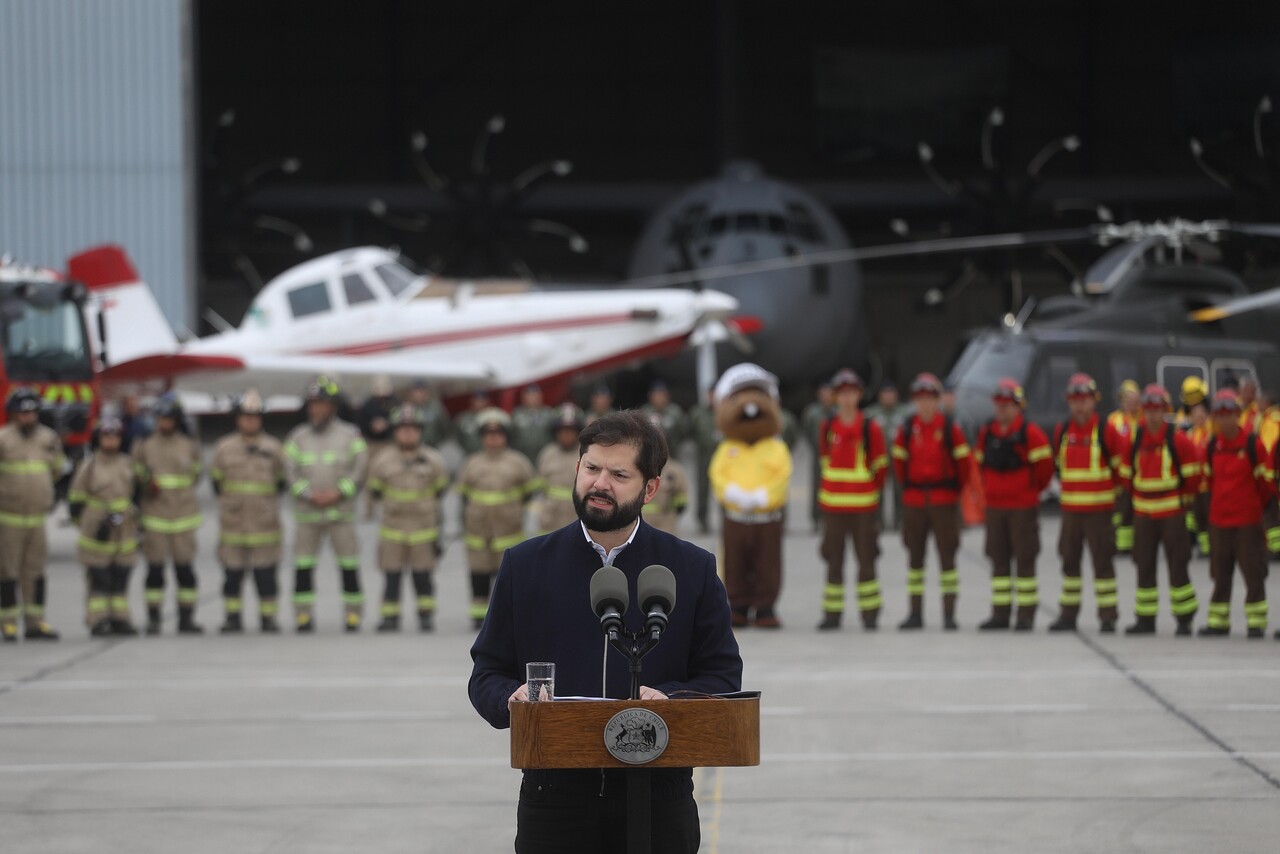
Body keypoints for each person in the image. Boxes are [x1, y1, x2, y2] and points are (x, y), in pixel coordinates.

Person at [468, 410, 742, 854]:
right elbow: (487, 673)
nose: (600, 484)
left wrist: (670, 700)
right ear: (576, 468)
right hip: (554, 798)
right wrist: (510, 698)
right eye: (592, 468)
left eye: (619, 474)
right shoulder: (525, 564)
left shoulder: (691, 568)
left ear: (650, 488)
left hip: (659, 794)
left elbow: (723, 678)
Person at [708, 364, 792, 629]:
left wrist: (762, 497)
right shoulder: (728, 447)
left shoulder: (775, 447)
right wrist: (730, 493)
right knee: (735, 561)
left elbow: (782, 477)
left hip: (767, 517)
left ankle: (766, 606)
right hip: (736, 517)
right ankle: (739, 605)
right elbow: (717, 474)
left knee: (768, 562)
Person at [284, 376, 369, 633]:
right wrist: (309, 494)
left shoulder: (350, 436)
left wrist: (338, 493)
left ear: (333, 406)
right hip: (308, 516)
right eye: (312, 404)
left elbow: (360, 470)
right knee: (303, 567)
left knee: (349, 566)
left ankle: (353, 616)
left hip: (340, 515)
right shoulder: (297, 438)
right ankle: (303, 616)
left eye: (321, 404)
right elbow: (290, 473)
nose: (315, 409)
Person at [1119, 384, 1202, 635]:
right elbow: (1126, 476)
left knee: (1178, 566)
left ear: (1165, 410)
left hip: (1172, 516)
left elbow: (1193, 480)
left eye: (1157, 410)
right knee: (1144, 566)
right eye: (1149, 410)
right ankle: (1145, 619)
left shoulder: (1178, 440)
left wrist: (1177, 502)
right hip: (1143, 516)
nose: (1153, 415)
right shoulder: (1134, 440)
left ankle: (1184, 619)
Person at [891, 372, 970, 631]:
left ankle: (949, 614)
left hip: (943, 501)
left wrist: (952, 492)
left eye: (930, 399)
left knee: (947, 559)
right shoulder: (906, 428)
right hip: (915, 502)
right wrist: (911, 491)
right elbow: (899, 465)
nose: (925, 404)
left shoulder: (949, 428)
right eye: (920, 399)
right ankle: (915, 613)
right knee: (915, 559)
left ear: (938, 401)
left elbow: (964, 465)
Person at [975, 378, 1054, 631]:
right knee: (998, 560)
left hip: (1022, 508)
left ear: (1019, 407)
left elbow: (1044, 471)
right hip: (996, 509)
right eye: (999, 404)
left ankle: (1026, 615)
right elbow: (978, 466)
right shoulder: (987, 433)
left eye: (1008, 405)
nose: (1002, 409)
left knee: (1025, 560)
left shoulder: (1031, 433)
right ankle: (1000, 614)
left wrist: (1028, 493)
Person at [209, 389, 286, 634]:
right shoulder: (224, 448)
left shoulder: (274, 448)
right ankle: (233, 618)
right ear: (238, 419)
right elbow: (216, 482)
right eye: (245, 416)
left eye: (255, 416)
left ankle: (268, 619)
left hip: (265, 527)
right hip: (233, 526)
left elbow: (281, 481)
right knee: (232, 577)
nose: (250, 421)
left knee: (266, 577)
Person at [1050, 373, 1123, 633]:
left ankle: (1108, 616)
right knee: (1069, 562)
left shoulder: (1106, 430)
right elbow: (1058, 469)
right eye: (1074, 400)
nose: (1079, 405)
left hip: (1099, 513)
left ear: (1094, 401)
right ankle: (1068, 615)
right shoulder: (1062, 431)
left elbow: (1120, 471)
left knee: (1102, 563)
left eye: (1084, 400)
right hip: (1071, 513)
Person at [367, 405, 450, 632]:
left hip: (424, 530)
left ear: (420, 432)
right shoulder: (382, 460)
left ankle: (425, 616)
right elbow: (375, 490)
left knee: (423, 576)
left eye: (413, 429)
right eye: (403, 429)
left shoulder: (433, 460)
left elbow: (441, 490)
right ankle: (390, 618)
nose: (408, 434)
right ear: (395, 432)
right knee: (391, 576)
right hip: (393, 530)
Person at [816, 368, 887, 630]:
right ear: (835, 397)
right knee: (833, 561)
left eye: (851, 393)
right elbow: (825, 462)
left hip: (863, 509)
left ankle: (870, 614)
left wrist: (867, 491)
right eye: (842, 394)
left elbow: (881, 467)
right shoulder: (827, 427)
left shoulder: (870, 427)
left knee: (866, 561)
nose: (846, 399)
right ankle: (832, 615)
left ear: (858, 396)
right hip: (833, 509)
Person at [1199, 390, 1274, 638]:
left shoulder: (1253, 444)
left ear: (1238, 416)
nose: (1224, 420)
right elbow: (1209, 482)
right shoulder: (1213, 446)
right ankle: (1219, 623)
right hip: (1220, 522)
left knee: (1253, 572)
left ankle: (1256, 622)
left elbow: (1265, 486)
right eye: (1219, 415)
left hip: (1247, 523)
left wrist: (1252, 509)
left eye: (1229, 414)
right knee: (1220, 574)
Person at [457, 408, 538, 629]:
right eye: (488, 435)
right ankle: (478, 616)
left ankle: (508, 617)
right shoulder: (471, 463)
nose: (493, 439)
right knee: (479, 575)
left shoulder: (519, 462)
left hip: (509, 532)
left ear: (505, 437)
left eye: (498, 435)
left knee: (508, 578)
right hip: (478, 533)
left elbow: (528, 493)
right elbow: (463, 496)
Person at [133, 393, 204, 634]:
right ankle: (154, 618)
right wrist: (146, 483)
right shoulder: (145, 445)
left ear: (176, 419)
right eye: (160, 418)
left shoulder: (189, 445)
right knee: (154, 573)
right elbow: (136, 475)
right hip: (155, 518)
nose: (164, 422)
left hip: (184, 518)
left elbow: (196, 474)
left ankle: (187, 619)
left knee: (185, 572)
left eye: (169, 418)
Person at [0, 388, 65, 640]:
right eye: (22, 413)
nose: (27, 417)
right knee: (7, 572)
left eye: (31, 412)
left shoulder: (48, 438)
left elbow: (56, 470)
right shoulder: (3, 439)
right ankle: (8, 623)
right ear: (13, 414)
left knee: (35, 572)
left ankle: (35, 623)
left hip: (37, 519)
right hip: (9, 518)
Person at [68, 416, 140, 636]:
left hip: (124, 531)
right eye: (106, 436)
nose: (111, 441)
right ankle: (98, 620)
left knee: (121, 577)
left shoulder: (127, 463)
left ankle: (120, 619)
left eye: (115, 436)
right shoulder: (89, 466)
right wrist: (89, 525)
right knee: (99, 579)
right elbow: (76, 501)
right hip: (97, 531)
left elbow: (136, 495)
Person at [865, 381, 910, 531]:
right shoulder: (871, 414)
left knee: (900, 489)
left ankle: (901, 521)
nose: (888, 397)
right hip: (879, 458)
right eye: (885, 394)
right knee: (878, 490)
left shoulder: (905, 414)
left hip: (899, 458)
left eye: (891, 394)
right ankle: (878, 522)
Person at [535, 404, 584, 535]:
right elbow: (539, 486)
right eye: (562, 430)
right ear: (556, 432)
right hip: (551, 521)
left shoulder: (586, 454)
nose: (566, 434)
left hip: (580, 519)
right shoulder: (547, 454)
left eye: (571, 430)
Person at [1108, 379, 1142, 554]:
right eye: (1128, 400)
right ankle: (1119, 544)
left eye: (1134, 400)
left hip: (1139, 473)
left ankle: (1135, 543)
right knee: (1120, 511)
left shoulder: (1142, 419)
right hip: (1119, 474)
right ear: (1121, 401)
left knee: (1137, 509)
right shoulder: (1114, 420)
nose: (1131, 403)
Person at [357, 375, 398, 519]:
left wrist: (387, 425)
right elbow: (361, 424)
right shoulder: (368, 404)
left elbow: (399, 422)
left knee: (393, 475)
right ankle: (369, 510)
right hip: (372, 444)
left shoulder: (395, 403)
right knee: (370, 477)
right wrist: (371, 427)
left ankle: (392, 509)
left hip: (389, 443)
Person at [801, 382, 835, 530]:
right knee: (817, 486)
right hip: (818, 453)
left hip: (835, 454)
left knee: (833, 486)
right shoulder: (812, 412)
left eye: (829, 393)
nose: (826, 396)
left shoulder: (837, 411)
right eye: (824, 393)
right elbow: (807, 431)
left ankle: (832, 518)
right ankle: (816, 518)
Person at [686, 387, 720, 534]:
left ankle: (728, 520)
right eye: (711, 394)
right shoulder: (698, 413)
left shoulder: (726, 411)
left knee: (724, 490)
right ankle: (702, 522)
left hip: (724, 458)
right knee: (702, 490)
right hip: (704, 457)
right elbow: (689, 431)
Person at [511, 384, 556, 464]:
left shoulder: (549, 413)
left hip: (545, 455)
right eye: (529, 395)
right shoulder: (517, 414)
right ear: (523, 398)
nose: (532, 398)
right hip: (522, 455)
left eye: (535, 395)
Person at [640, 379, 687, 452]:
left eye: (661, 394)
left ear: (667, 396)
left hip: (673, 451)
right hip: (651, 452)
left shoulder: (675, 411)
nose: (658, 398)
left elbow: (683, 433)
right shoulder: (645, 411)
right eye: (655, 395)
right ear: (650, 396)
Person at [454, 391, 493, 456]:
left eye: (482, 400)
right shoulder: (464, 418)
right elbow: (457, 436)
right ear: (472, 401)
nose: (479, 403)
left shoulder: (493, 416)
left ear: (487, 401)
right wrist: (466, 448)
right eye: (477, 400)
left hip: (489, 455)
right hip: (469, 454)